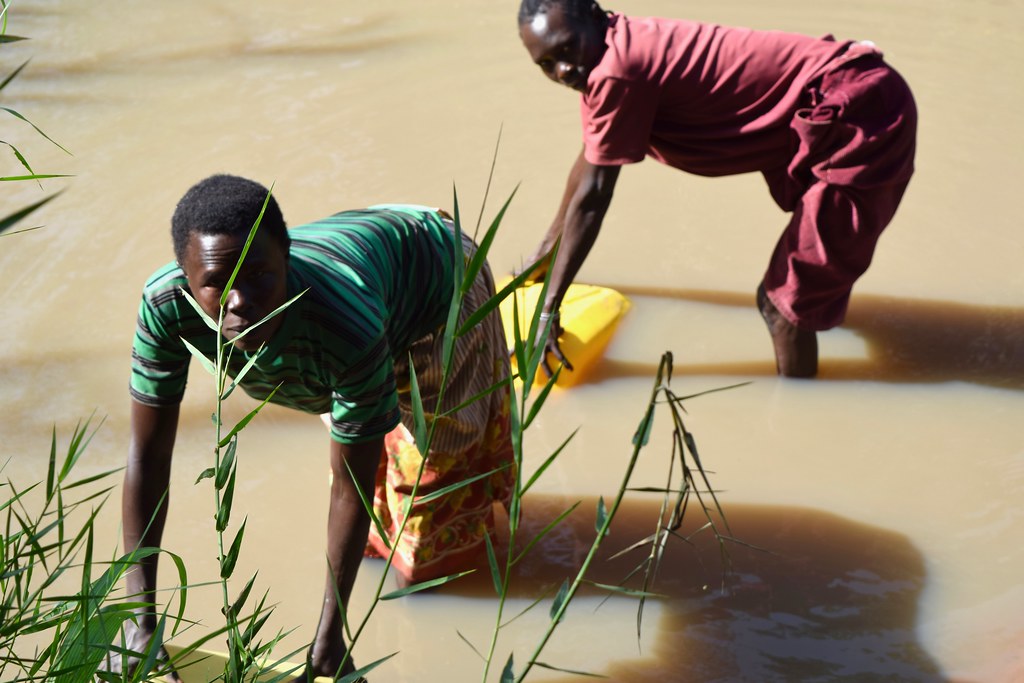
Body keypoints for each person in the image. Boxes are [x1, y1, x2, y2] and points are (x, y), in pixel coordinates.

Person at [120, 174, 515, 679]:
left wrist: (329, 638)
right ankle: (372, 551)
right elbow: (147, 457)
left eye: (258, 275)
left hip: (437, 283)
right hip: (366, 284)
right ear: (185, 276)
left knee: (436, 473)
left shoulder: (344, 325)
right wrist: (140, 625)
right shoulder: (164, 307)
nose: (239, 302)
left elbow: (347, 486)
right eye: (217, 282)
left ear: (285, 259)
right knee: (366, 459)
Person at [517, 0, 917, 377]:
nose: (564, 70)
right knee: (794, 293)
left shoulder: (618, 71)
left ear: (593, 13)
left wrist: (548, 311)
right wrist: (543, 257)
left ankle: (796, 422)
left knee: (783, 303)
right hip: (847, 95)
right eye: (546, 64)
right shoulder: (609, 51)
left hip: (860, 115)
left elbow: (594, 197)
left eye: (567, 49)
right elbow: (590, 161)